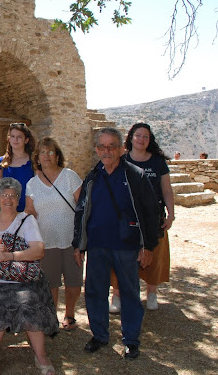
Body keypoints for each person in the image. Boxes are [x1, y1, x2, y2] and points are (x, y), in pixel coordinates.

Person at [72, 127, 159, 360]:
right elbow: (81, 211)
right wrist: (78, 244)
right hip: (97, 245)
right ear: (96, 149)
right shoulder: (93, 176)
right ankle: (100, 335)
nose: (107, 151)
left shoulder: (135, 175)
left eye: (112, 146)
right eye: (102, 146)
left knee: (129, 293)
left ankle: (131, 340)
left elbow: (151, 213)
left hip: (126, 246)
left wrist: (148, 246)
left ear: (121, 149)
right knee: (95, 292)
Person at [0, 178, 58, 375]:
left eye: (12, 195)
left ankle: (41, 356)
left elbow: (38, 250)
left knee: (29, 303)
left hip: (23, 279)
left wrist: (10, 256)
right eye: (4, 195)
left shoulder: (27, 220)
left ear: (18, 199)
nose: (8, 199)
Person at [108, 123, 174, 312]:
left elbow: (166, 189)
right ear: (131, 137)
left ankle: (151, 294)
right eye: (138, 135)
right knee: (120, 256)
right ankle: (117, 295)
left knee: (154, 255)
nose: (141, 139)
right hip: (125, 218)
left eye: (146, 136)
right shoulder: (122, 160)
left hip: (153, 217)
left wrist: (171, 214)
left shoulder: (158, 162)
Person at [25, 137, 83, 331]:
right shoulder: (32, 184)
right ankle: (52, 317)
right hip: (46, 240)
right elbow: (30, 212)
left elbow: (82, 206)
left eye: (51, 152)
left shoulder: (69, 176)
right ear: (37, 158)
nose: (47, 156)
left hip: (71, 240)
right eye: (42, 152)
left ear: (58, 156)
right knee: (50, 282)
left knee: (73, 281)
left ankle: (70, 314)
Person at [0, 123, 36, 212]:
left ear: (26, 140)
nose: (15, 140)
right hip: (9, 210)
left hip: (30, 210)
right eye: (13, 136)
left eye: (19, 137)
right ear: (9, 139)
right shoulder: (1, 163)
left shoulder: (34, 161)